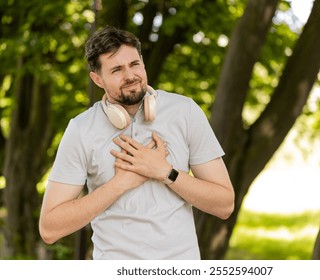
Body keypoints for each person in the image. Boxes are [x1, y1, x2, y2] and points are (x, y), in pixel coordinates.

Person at [39, 26, 234, 260]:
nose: (130, 75)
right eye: (117, 70)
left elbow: (224, 205)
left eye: (134, 64)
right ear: (97, 78)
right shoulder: (81, 129)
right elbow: (49, 228)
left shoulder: (186, 112)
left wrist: (165, 172)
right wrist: (120, 184)